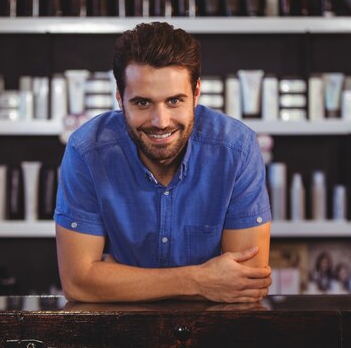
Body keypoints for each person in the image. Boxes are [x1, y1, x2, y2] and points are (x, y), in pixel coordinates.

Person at [54, 22, 272, 303]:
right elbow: (78, 283)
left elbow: (244, 284)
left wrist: (114, 277)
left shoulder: (236, 149)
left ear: (196, 94)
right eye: (143, 103)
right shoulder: (87, 150)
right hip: (120, 330)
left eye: (174, 101)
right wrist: (199, 279)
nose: (161, 122)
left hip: (215, 332)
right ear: (120, 99)